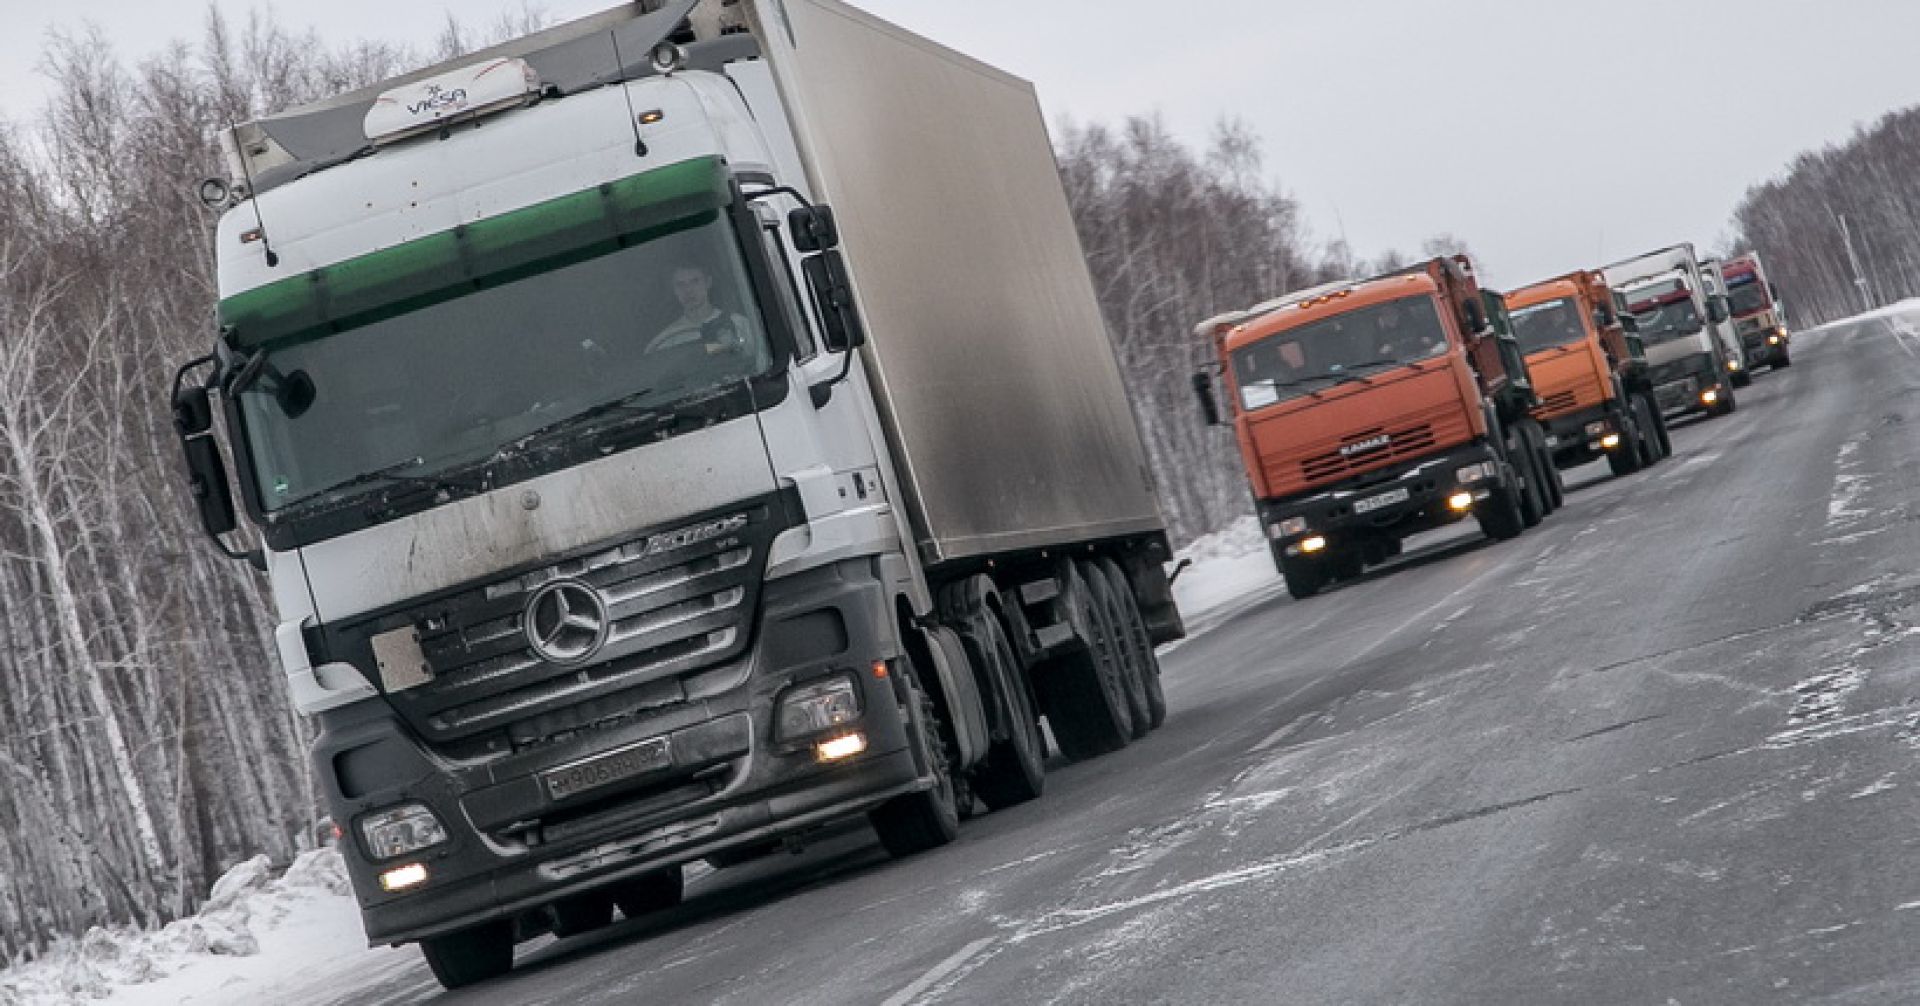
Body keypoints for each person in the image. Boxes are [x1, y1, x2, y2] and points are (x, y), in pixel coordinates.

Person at [648, 264, 753, 355]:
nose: (688, 290)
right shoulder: (668, 340)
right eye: (681, 284)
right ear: (674, 290)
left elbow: (757, 359)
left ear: (708, 283)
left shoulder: (739, 324)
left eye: (695, 281)